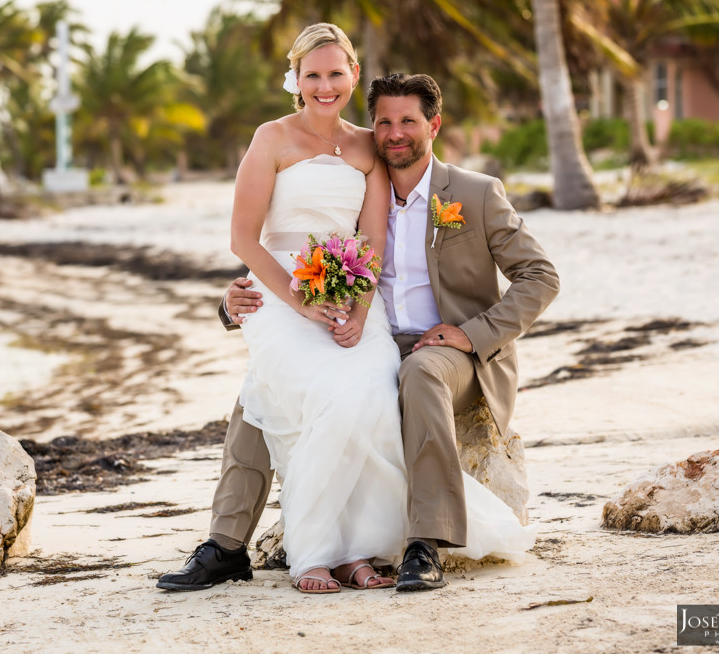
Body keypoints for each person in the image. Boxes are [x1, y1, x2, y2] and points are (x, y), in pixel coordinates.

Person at [156, 62, 559, 593]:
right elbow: (287, 253)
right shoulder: (353, 184)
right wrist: (232, 307)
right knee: (262, 386)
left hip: (447, 348)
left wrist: (473, 333)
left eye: (408, 122)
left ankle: (425, 544)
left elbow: (540, 276)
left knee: (420, 374)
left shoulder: (476, 193)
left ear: (433, 126)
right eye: (385, 123)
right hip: (373, 333)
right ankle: (226, 546)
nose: (394, 134)